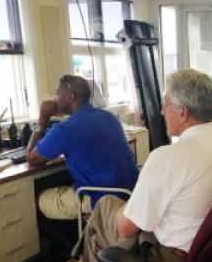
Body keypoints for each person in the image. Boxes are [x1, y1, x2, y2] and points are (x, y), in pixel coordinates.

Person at [67, 69, 212, 262]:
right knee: (109, 216)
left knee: (102, 225)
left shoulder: (166, 158)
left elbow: (126, 227)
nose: (162, 111)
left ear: (183, 111)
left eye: (166, 105)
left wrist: (133, 210)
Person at [27, 74, 139, 219]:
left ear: (70, 97)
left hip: (102, 200)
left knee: (39, 199)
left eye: (57, 93)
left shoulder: (65, 129)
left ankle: (67, 240)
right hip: (130, 193)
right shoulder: (109, 117)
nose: (54, 98)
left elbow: (32, 159)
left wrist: (42, 119)